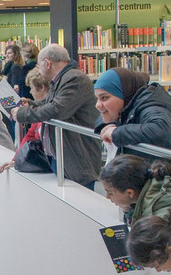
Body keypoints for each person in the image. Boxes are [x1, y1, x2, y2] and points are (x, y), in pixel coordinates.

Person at [95, 66, 171, 203]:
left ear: (124, 94)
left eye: (104, 98)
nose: (98, 105)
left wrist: (116, 132)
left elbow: (160, 129)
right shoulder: (130, 103)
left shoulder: (152, 105)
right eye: (97, 98)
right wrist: (107, 125)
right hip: (163, 190)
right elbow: (101, 117)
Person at [10, 43, 104, 189]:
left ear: (48, 64)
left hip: (77, 157)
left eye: (39, 66)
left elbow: (57, 109)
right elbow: (49, 103)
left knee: (77, 203)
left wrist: (23, 113)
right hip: (64, 155)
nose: (39, 71)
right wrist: (31, 103)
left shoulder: (74, 79)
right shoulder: (62, 79)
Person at [99, 156, 171, 226]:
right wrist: (127, 209)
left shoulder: (159, 216)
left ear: (130, 193)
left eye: (110, 193)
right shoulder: (153, 191)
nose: (107, 197)